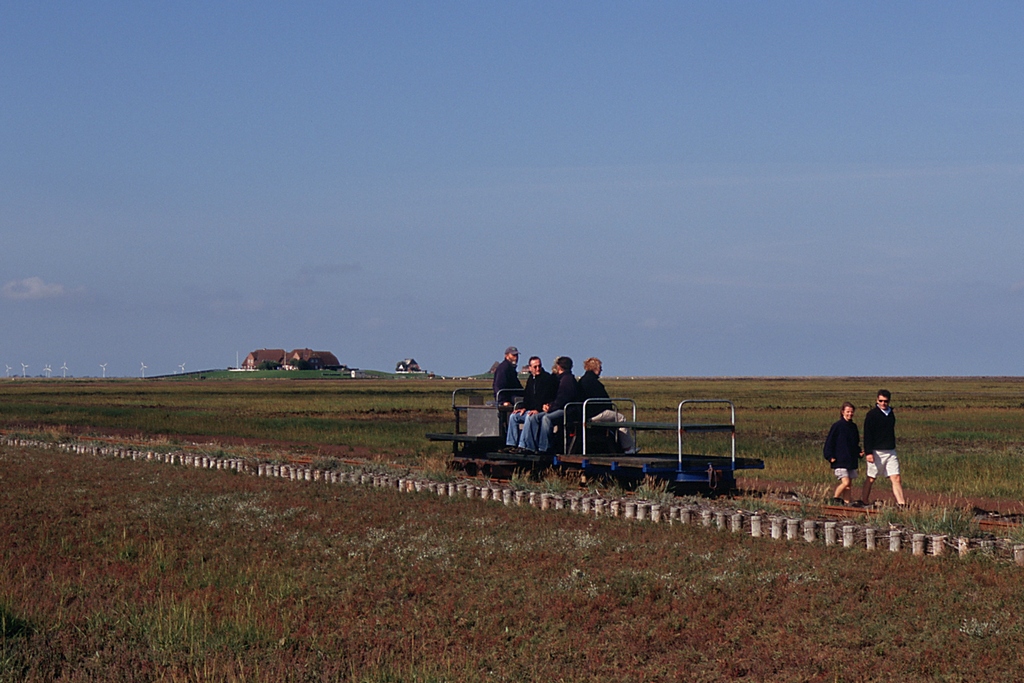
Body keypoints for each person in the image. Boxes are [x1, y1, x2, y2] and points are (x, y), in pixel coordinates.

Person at [577, 357, 635, 453]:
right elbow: (604, 401)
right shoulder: (593, 382)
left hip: (586, 413)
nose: (601, 370)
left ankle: (619, 446)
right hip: (595, 414)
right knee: (621, 418)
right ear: (594, 368)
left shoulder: (584, 380)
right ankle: (627, 447)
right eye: (600, 367)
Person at [521, 356, 578, 454]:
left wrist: (550, 407)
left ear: (559, 367)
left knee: (546, 418)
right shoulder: (561, 379)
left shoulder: (567, 380)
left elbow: (562, 400)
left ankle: (544, 448)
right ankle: (530, 446)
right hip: (558, 407)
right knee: (534, 417)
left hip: (567, 410)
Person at [861, 389, 907, 507]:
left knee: (896, 477)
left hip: (890, 451)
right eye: (880, 401)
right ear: (877, 400)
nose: (883, 403)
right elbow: (867, 434)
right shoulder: (871, 415)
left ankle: (901, 504)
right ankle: (864, 501)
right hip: (876, 451)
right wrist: (869, 452)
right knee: (871, 477)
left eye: (885, 401)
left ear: (889, 401)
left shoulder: (891, 413)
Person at [505, 356, 557, 450]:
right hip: (531, 409)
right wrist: (523, 407)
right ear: (530, 368)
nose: (538, 369)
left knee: (530, 416)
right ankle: (511, 444)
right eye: (535, 367)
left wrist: (537, 409)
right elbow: (527, 396)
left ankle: (524, 445)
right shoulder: (530, 379)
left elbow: (546, 397)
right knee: (514, 416)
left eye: (539, 366)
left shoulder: (547, 379)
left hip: (542, 410)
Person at [822, 402, 861, 505]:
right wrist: (829, 456)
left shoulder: (853, 427)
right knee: (846, 482)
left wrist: (859, 452)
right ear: (842, 412)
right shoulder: (837, 426)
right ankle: (834, 499)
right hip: (839, 460)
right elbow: (829, 442)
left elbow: (855, 443)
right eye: (848, 412)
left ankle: (846, 503)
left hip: (850, 460)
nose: (850, 414)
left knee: (849, 485)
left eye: (851, 412)